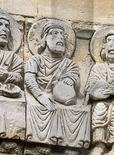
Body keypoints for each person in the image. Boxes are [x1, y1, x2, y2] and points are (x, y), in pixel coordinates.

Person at [23, 18, 90, 148]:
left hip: (63, 100)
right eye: (54, 33)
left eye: (62, 35)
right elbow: (29, 80)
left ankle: (72, 145)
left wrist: (71, 80)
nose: (59, 38)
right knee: (39, 109)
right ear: (44, 39)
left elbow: (75, 82)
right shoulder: (35, 60)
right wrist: (42, 97)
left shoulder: (69, 64)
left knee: (80, 113)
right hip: (40, 97)